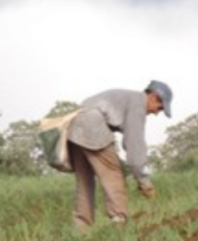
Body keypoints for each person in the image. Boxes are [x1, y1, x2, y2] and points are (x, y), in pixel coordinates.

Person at [66, 80, 172, 230]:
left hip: (74, 126)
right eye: (159, 108)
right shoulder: (138, 103)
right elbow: (134, 144)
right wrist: (144, 181)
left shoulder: (128, 98)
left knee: (85, 179)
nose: (156, 113)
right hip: (92, 124)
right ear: (153, 97)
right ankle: (118, 222)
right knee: (113, 172)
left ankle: (81, 228)